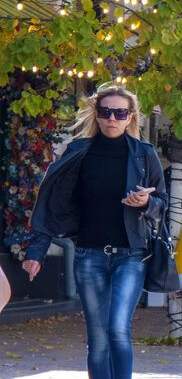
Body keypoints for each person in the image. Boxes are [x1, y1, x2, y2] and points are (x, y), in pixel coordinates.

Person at [22, 84, 168, 379]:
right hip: (89, 256)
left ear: (130, 117)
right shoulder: (77, 153)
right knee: (97, 338)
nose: (112, 118)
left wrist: (146, 202)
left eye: (119, 112)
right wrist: (36, 252)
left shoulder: (144, 154)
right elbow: (52, 203)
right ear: (96, 114)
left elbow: (162, 203)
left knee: (116, 328)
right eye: (106, 111)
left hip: (131, 256)